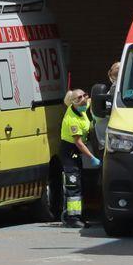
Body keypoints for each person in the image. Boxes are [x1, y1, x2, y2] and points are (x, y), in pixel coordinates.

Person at [60, 89, 101, 228]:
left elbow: (91, 101)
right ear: (73, 102)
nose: (84, 98)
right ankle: (73, 218)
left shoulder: (81, 107)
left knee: (79, 183)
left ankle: (75, 214)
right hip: (70, 153)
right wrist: (92, 157)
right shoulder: (72, 119)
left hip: (76, 154)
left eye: (85, 95)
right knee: (73, 186)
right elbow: (79, 143)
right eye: (79, 97)